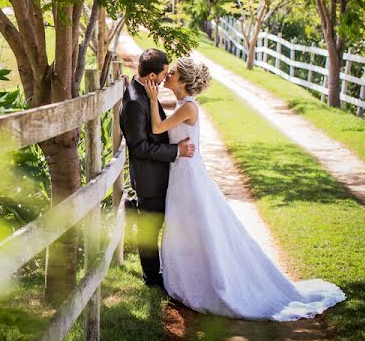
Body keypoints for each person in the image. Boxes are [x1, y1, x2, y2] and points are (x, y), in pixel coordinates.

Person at [140, 56, 345, 320]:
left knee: (194, 226)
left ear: (183, 82)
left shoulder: (188, 108)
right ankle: (189, 280)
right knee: (188, 226)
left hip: (188, 175)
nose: (167, 75)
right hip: (182, 173)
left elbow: (158, 126)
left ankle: (206, 283)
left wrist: (152, 97)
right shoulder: (182, 104)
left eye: (173, 73)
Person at [119, 49, 195, 289]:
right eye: (163, 73)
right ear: (152, 74)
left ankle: (133, 209)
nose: (165, 77)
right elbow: (139, 147)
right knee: (150, 230)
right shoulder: (134, 102)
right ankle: (152, 279)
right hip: (149, 178)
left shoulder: (145, 93)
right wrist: (176, 152)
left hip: (159, 174)